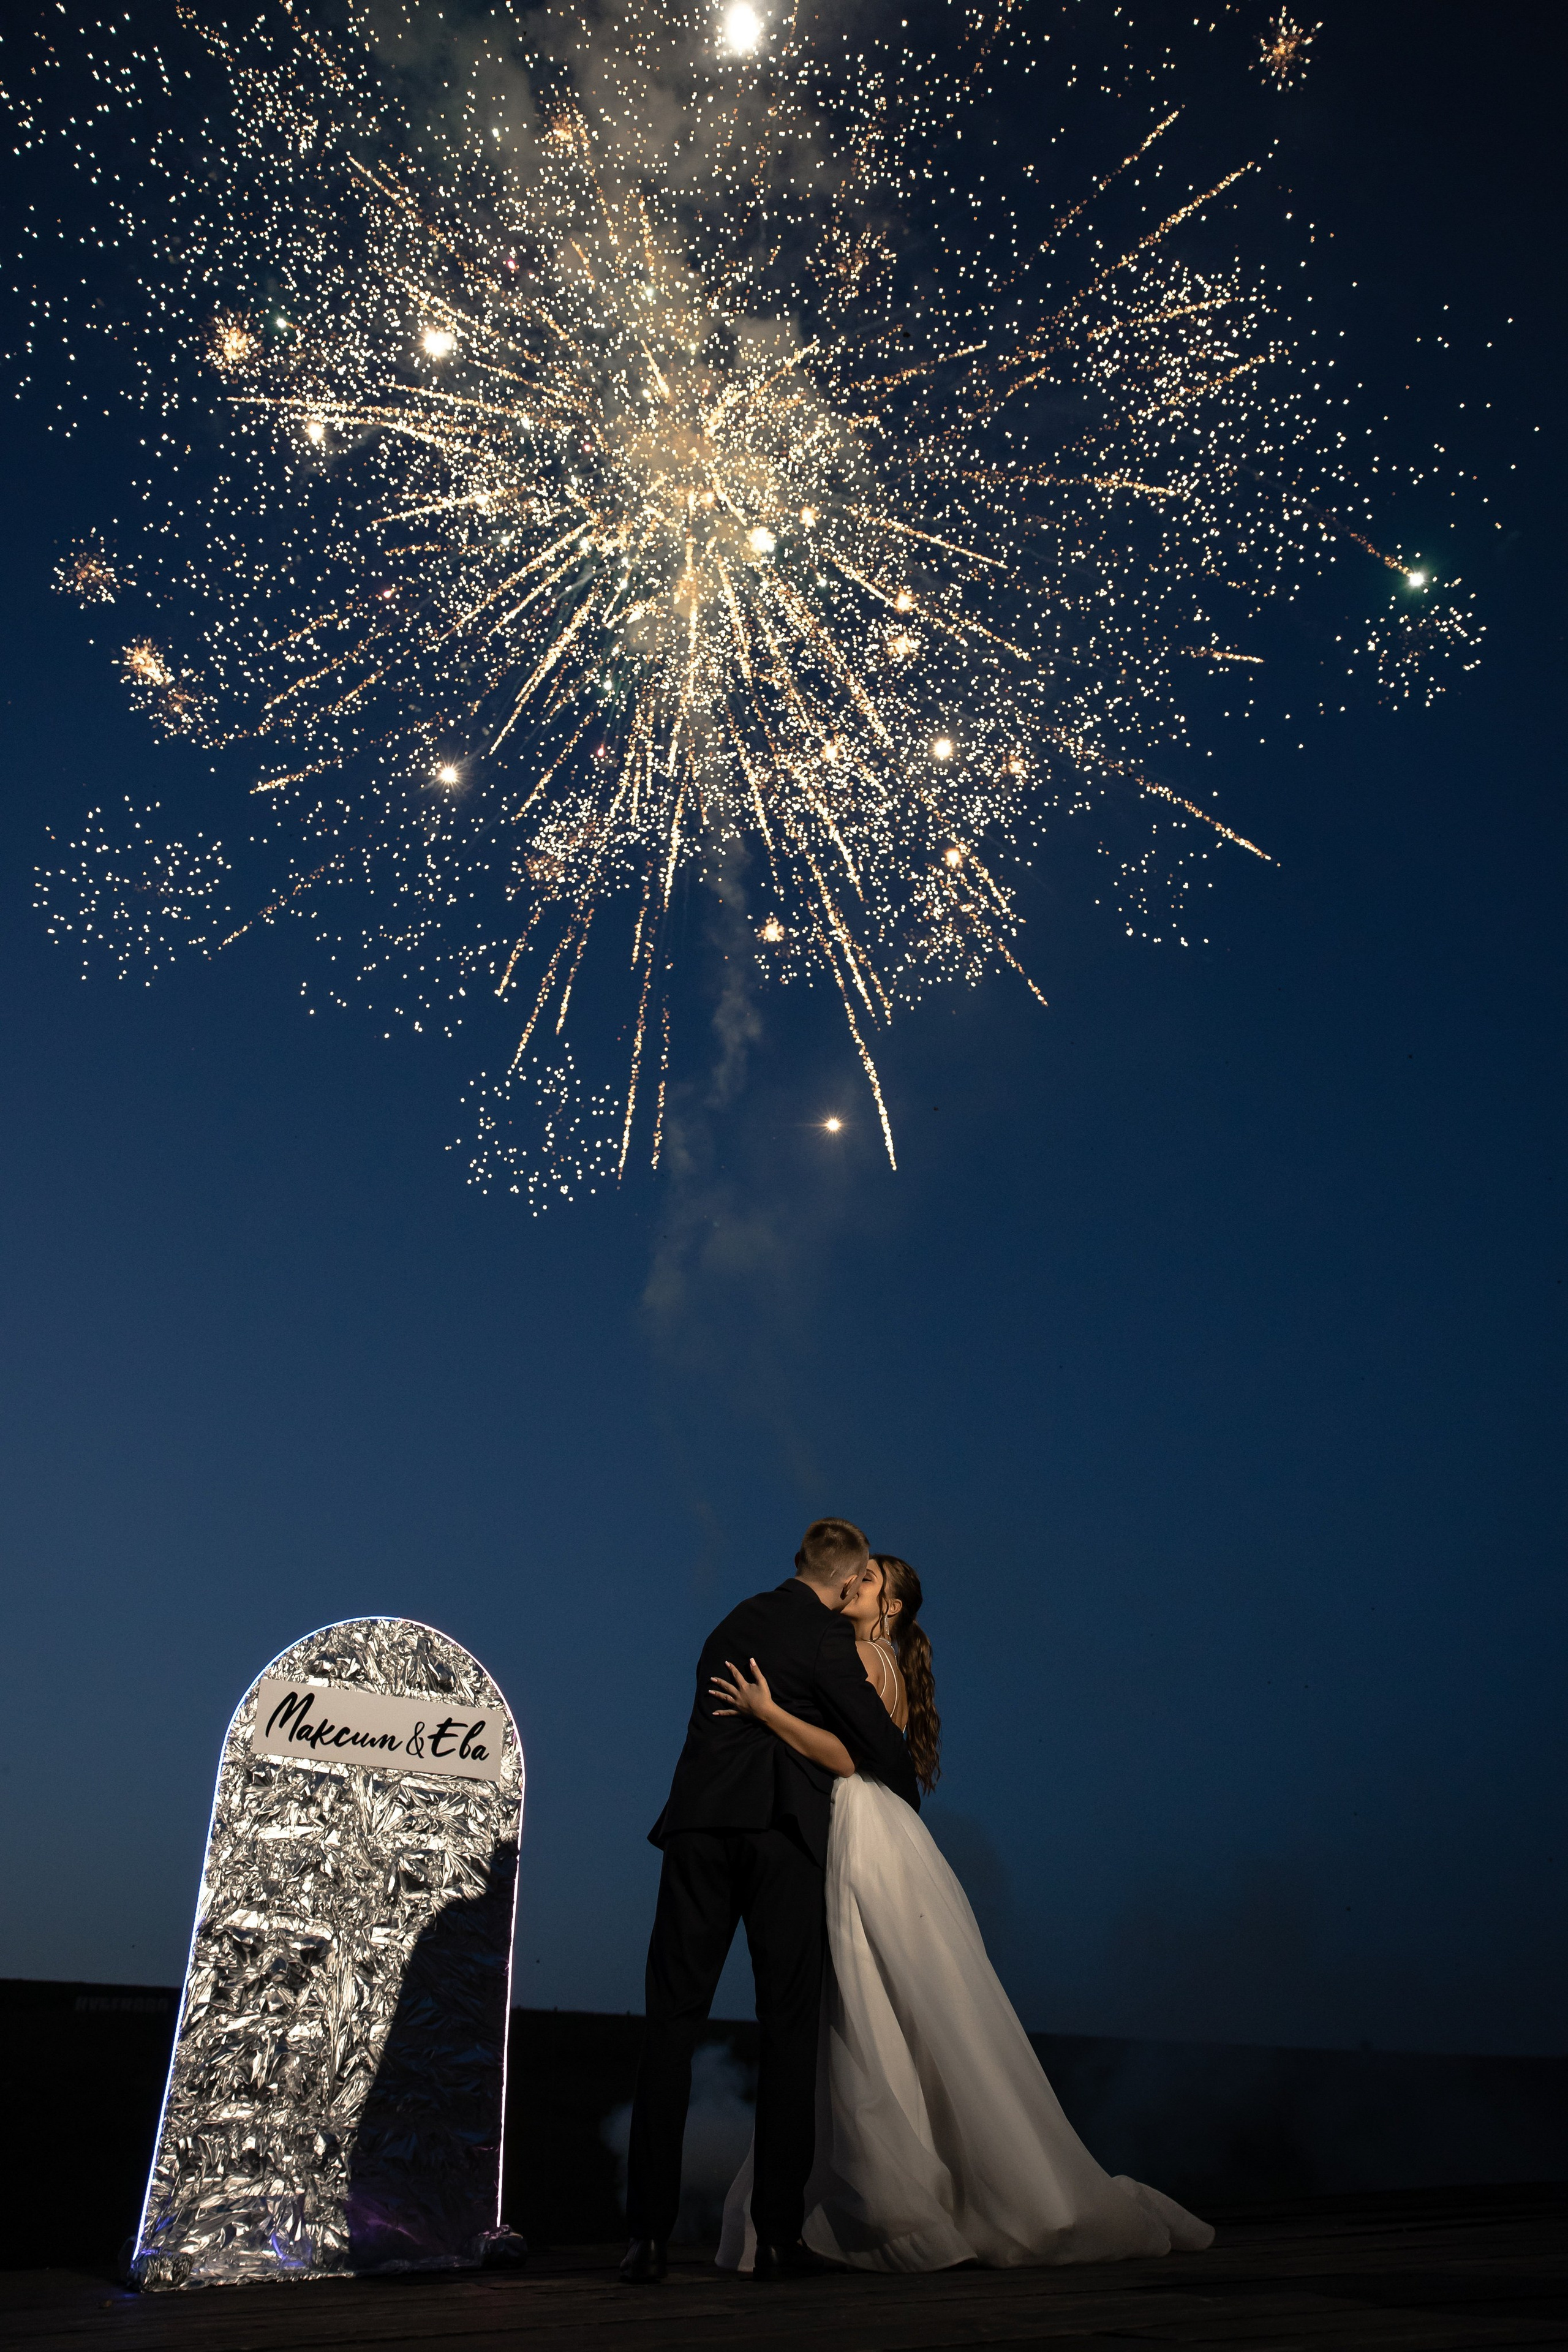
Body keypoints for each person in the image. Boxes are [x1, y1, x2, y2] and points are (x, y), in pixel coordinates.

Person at [710, 1553, 1216, 2272]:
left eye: (868, 1579)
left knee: (862, 2000)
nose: (852, 1583)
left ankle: (890, 2196)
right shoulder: (883, 1659)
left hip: (863, 1833)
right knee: (887, 2002)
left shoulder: (864, 1655)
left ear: (891, 1607)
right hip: (883, 1833)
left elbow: (847, 1757)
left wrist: (767, 1713)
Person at [620, 1518, 921, 2285]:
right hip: (779, 1836)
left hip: (696, 1829)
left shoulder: (731, 1623)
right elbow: (883, 1753)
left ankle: (646, 2238)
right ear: (848, 1582)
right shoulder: (825, 1640)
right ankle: (778, 2238)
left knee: (670, 2025)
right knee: (787, 2030)